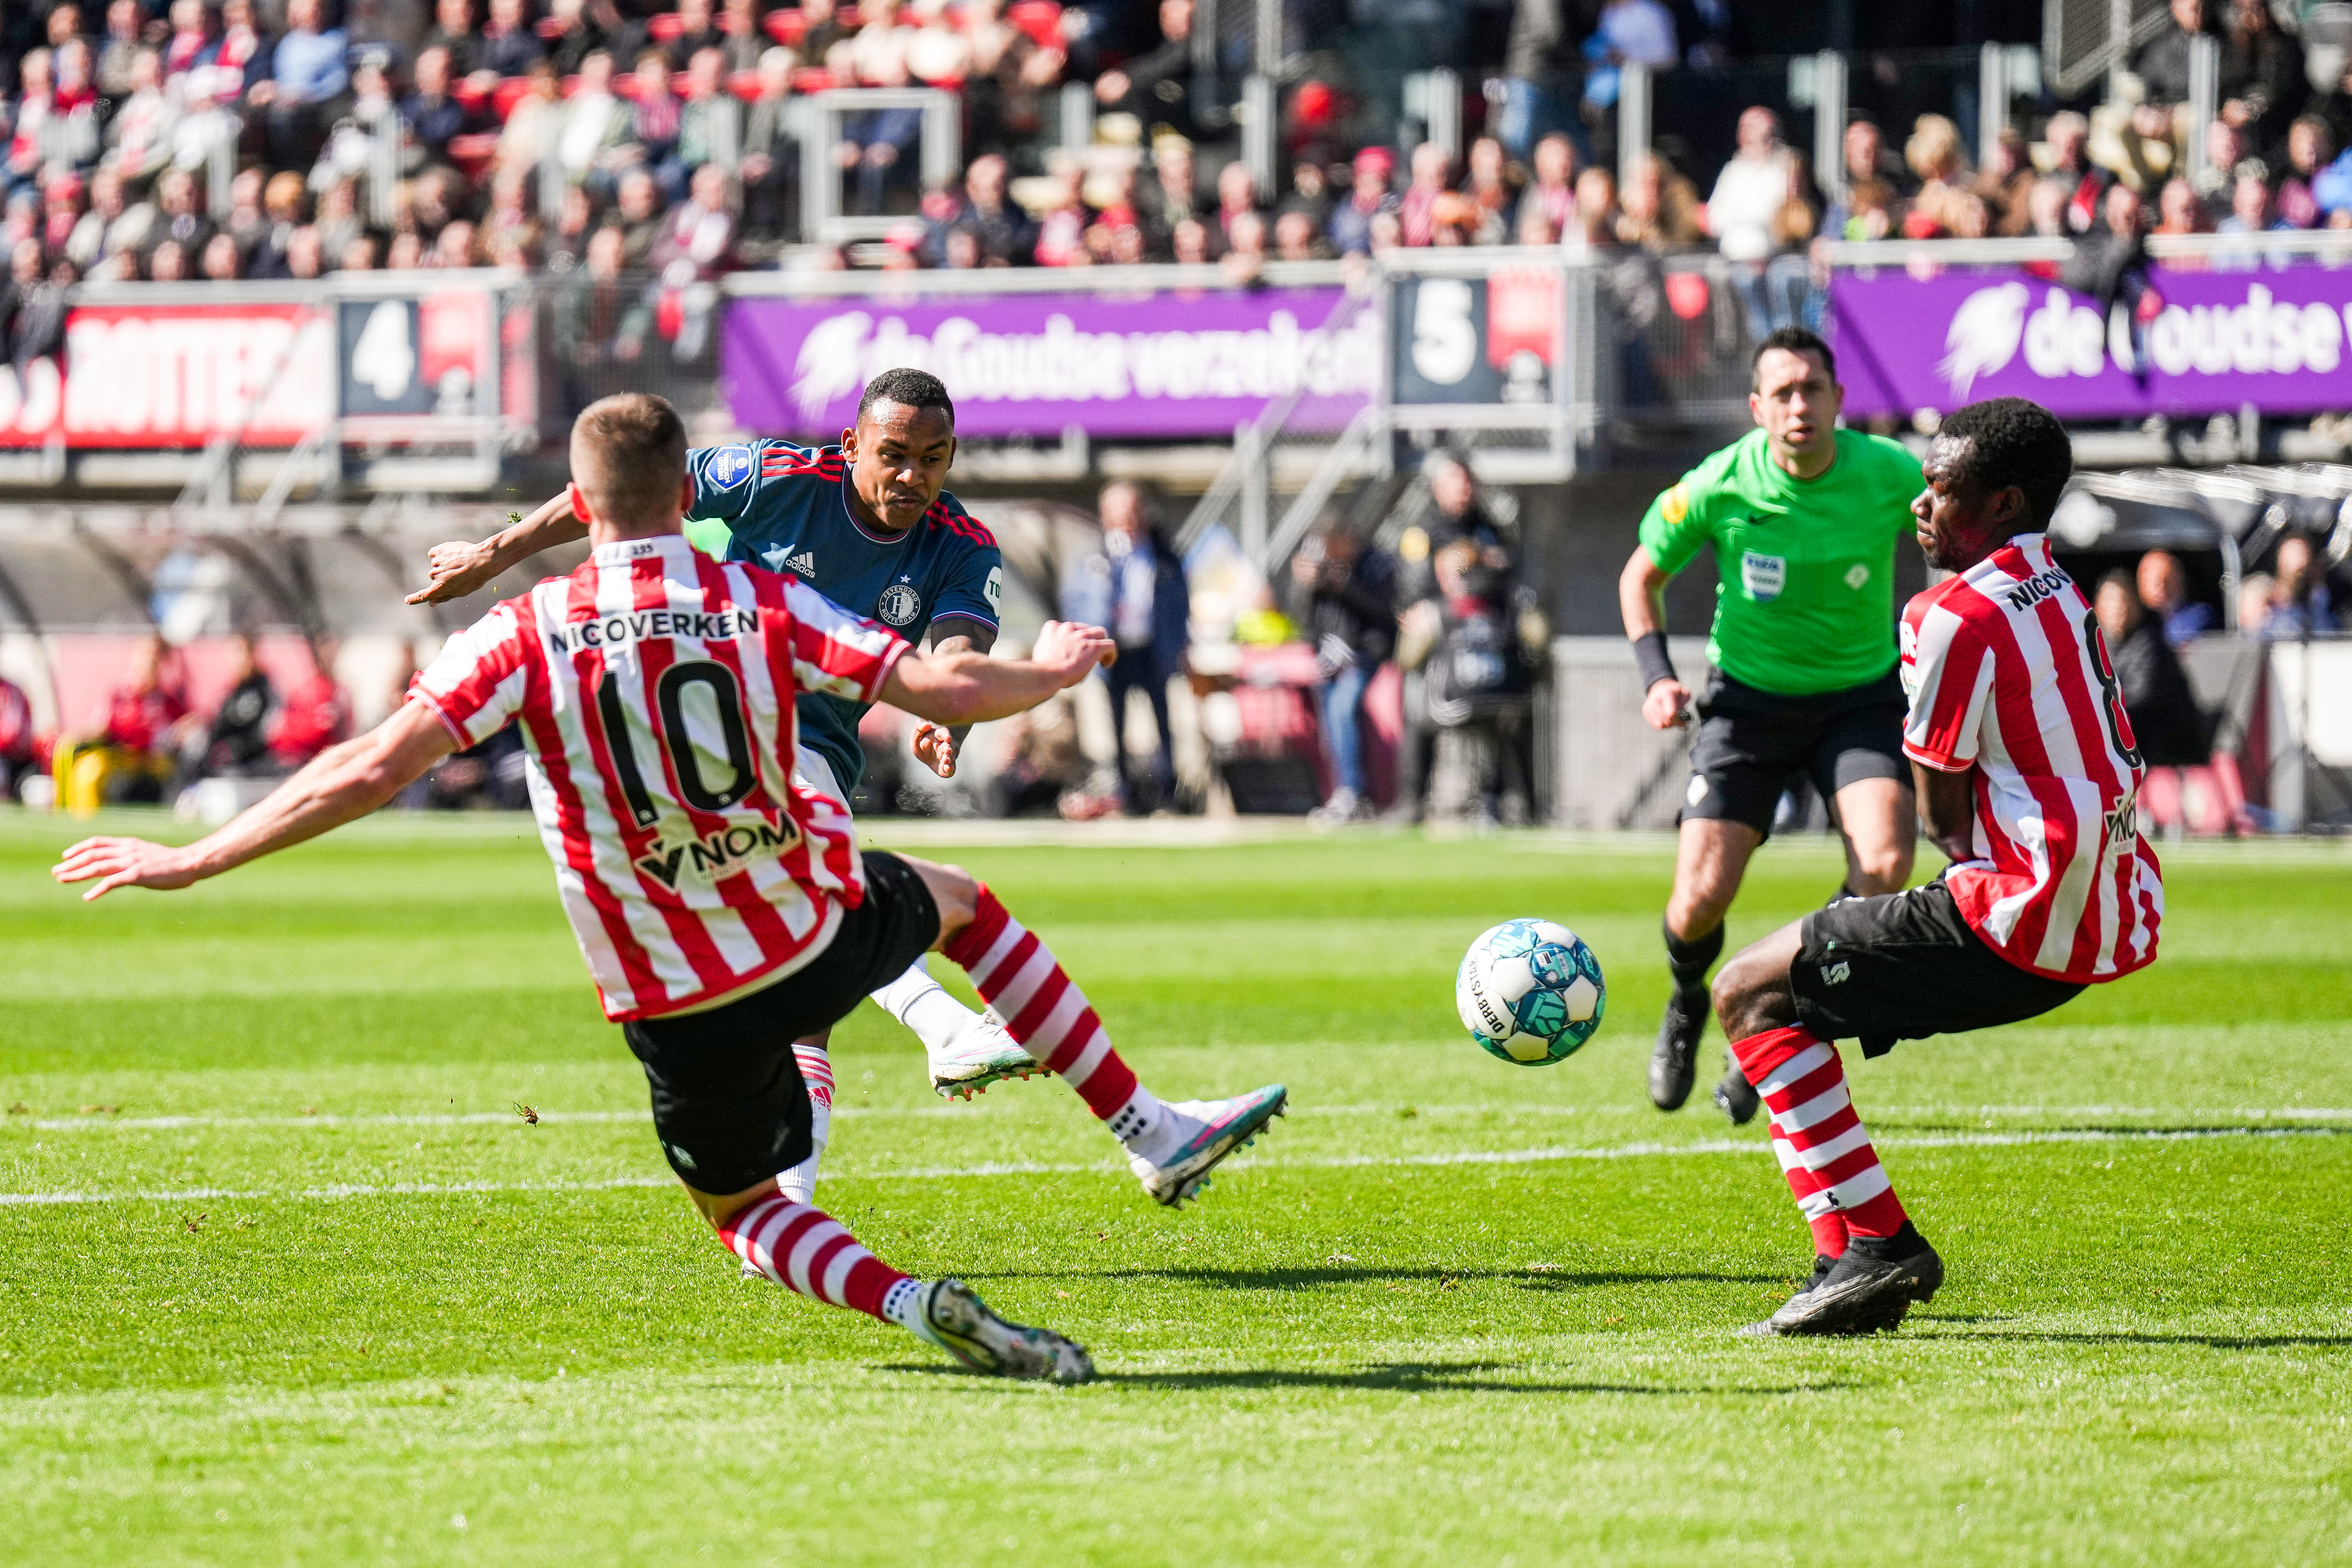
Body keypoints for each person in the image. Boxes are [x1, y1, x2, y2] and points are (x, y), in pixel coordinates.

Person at [55, 392, 1290, 1385]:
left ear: (580, 503)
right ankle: (1136, 1124)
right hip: (797, 927)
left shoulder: (526, 632)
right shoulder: (757, 598)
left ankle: (908, 1295)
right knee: (958, 901)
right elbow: (948, 688)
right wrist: (1057, 667)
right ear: (686, 487)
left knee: (746, 1218)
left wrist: (191, 857)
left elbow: (369, 770)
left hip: (665, 990)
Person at [406, 370, 1050, 1185]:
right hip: (730, 729)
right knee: (834, 897)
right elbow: (619, 488)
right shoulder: (777, 478)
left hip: (814, 752)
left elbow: (957, 649)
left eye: (933, 457)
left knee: (803, 1013)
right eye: (893, 454)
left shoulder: (962, 543)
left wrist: (944, 711)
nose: (912, 476)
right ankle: (949, 1027)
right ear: (851, 445)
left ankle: (791, 1205)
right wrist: (490, 553)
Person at [1709, 397, 2162, 1336]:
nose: (1919, 503)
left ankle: (1874, 1246)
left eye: (1940, 487)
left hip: (2019, 912)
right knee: (1777, 994)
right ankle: (1851, 1260)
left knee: (1748, 990)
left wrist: (1964, 868)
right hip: (2113, 907)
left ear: (1999, 503)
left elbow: (1941, 807)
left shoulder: (1947, 614)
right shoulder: (2057, 581)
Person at [1621, 325, 1924, 1125]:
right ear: (1757, 408)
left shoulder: (1888, 473)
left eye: (1811, 389)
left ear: (1838, 401)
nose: (1798, 405)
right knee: (1694, 901)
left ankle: (1775, 1001)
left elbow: (1951, 536)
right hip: (1746, 702)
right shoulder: (1718, 483)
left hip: (1857, 697)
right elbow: (1638, 576)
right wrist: (1655, 676)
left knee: (1887, 862)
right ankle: (1688, 1000)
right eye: (1781, 392)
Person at [1068, 480, 1189, 815]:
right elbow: (1077, 601)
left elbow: (1180, 601)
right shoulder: (1095, 555)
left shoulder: (1162, 553)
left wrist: (1180, 643)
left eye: (1133, 511)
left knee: (1164, 722)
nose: (1128, 520)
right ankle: (1122, 793)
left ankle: (1168, 793)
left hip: (1152, 646)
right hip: (1113, 650)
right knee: (1113, 724)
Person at [1288, 516, 1395, 826]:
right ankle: (1342, 791)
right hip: (1329, 657)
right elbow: (1301, 617)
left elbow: (1384, 610)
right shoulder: (1319, 569)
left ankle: (1353, 791)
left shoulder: (1376, 563)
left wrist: (1347, 586)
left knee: (1341, 709)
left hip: (1365, 654)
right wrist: (1304, 584)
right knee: (1330, 722)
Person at [2096, 570, 2210, 768]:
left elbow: (2141, 699)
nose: (2118, 609)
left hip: (2166, 746)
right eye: (2110, 602)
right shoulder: (2096, 644)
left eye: (2124, 601)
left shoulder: (2151, 640)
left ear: (2137, 605)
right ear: (2097, 607)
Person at [2137, 548, 2214, 646]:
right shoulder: (2135, 621)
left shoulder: (2199, 616)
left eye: (2168, 580)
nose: (2162, 587)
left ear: (2180, 581)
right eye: (2156, 582)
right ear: (2142, 585)